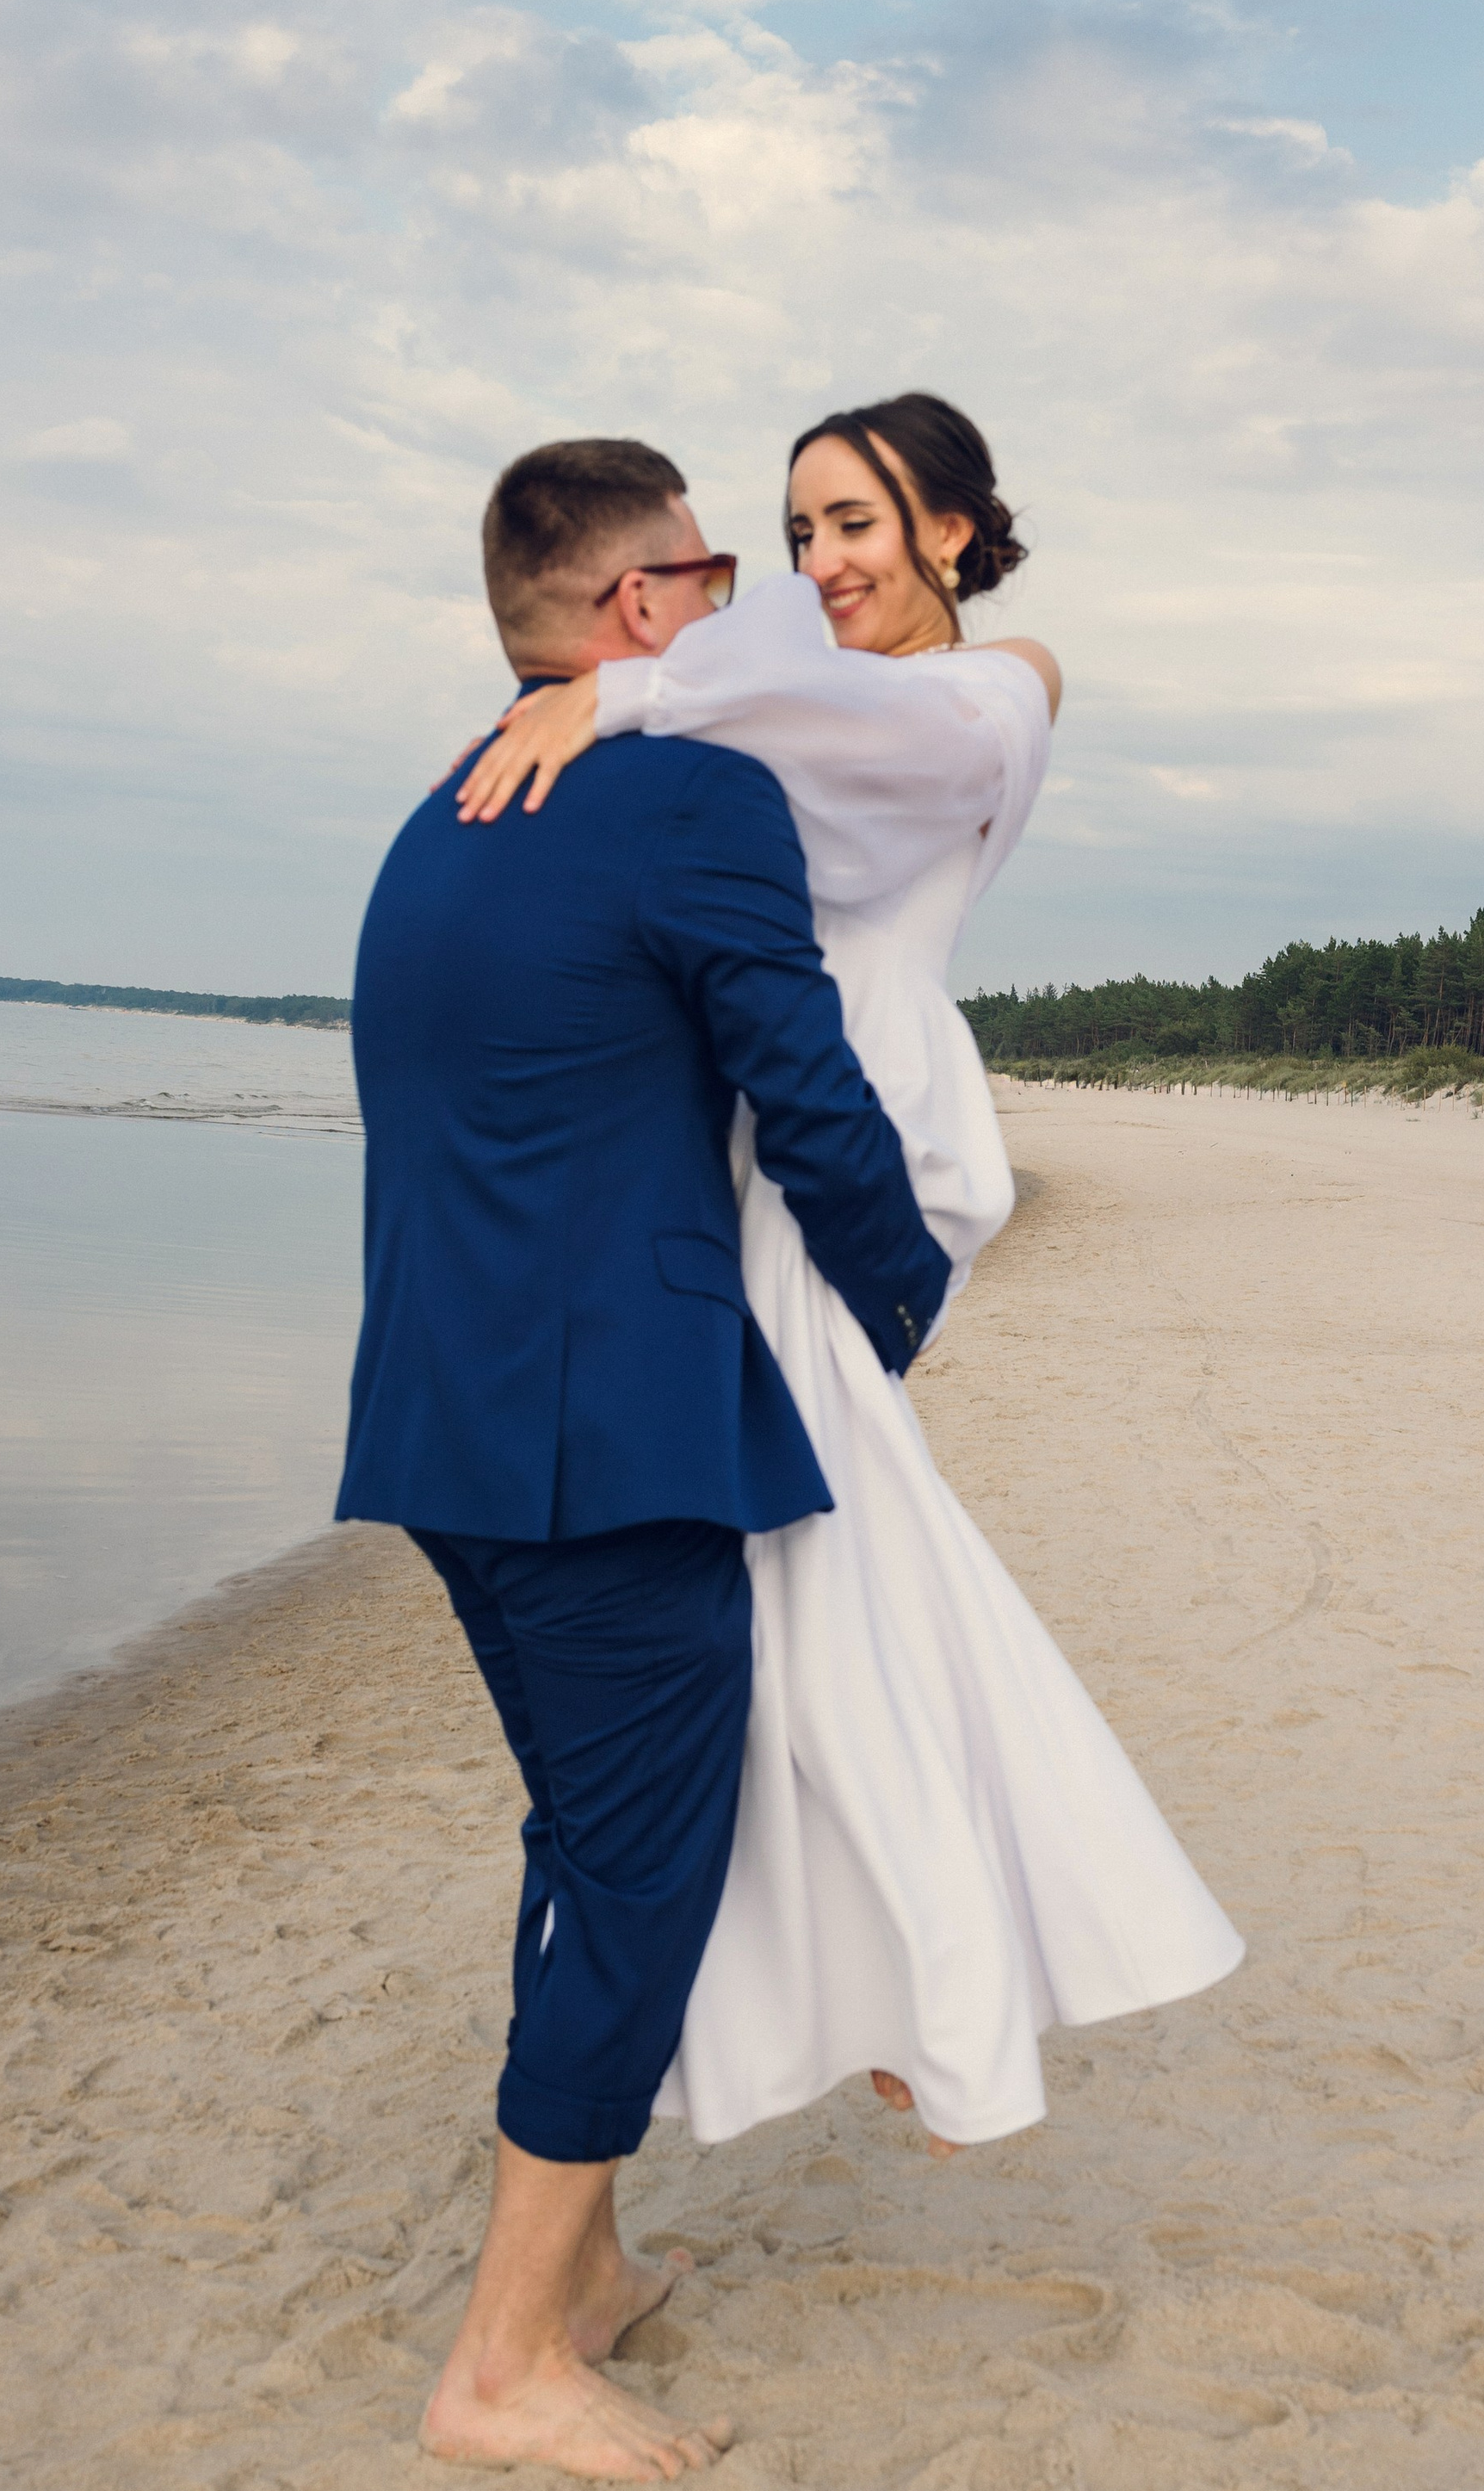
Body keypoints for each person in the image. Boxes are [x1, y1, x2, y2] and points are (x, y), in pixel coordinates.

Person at [454, 394, 1243, 2156]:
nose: (818, 563)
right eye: (799, 530)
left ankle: (934, 1989)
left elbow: (824, 716)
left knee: (822, 1575)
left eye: (856, 524)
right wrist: (596, 709)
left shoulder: (999, 686)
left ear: (951, 529)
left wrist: (617, 693)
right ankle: (913, 1983)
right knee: (826, 1575)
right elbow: (734, 728)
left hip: (848, 1163)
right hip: (758, 1164)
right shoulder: (797, 708)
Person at [337, 436, 949, 2482]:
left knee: (586, 1833)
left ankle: (586, 2272)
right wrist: (900, 1308)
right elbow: (807, 1084)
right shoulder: (688, 795)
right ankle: (503, 2363)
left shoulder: (447, 808)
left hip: (441, 1419)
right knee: (639, 1871)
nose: (734, 607)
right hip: (598, 1443)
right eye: (710, 575)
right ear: (635, 606)